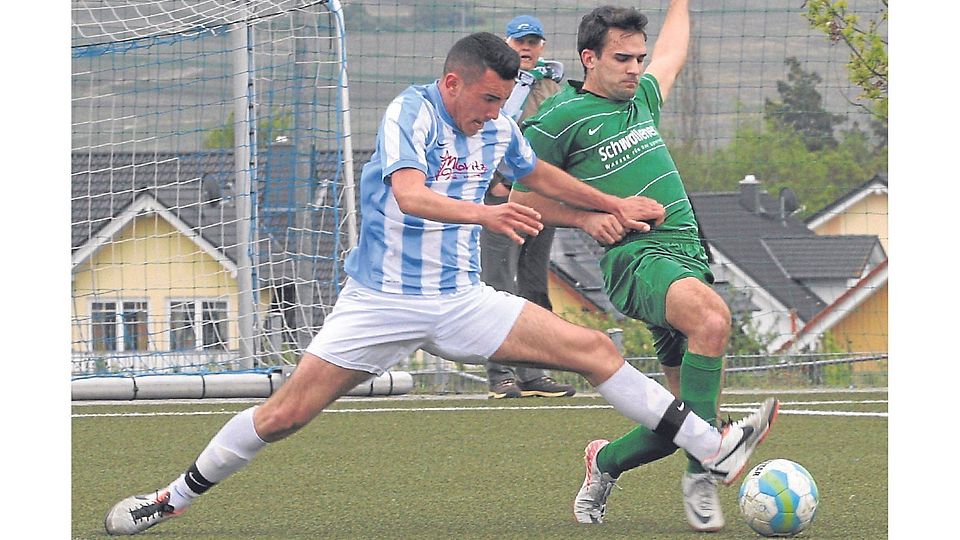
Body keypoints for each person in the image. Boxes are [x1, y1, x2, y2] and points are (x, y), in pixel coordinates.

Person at [103, 31, 778, 536]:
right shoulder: (411, 113)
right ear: (452, 82)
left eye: (503, 101)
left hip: (461, 304)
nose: (493, 112)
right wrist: (485, 211)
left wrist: (610, 206)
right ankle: (171, 498)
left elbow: (536, 174)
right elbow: (411, 194)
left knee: (598, 353)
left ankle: (711, 449)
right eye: (486, 98)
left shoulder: (497, 125)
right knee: (284, 416)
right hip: (379, 304)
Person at [512, 2, 737, 531]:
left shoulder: (643, 99)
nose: (635, 68)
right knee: (712, 319)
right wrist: (587, 220)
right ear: (589, 58)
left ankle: (604, 462)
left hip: (688, 259)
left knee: (681, 419)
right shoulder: (559, 117)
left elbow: (673, 54)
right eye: (622, 58)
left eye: (638, 58)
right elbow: (516, 195)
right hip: (637, 260)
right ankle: (703, 475)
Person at [481, 15, 574, 399]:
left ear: (543, 47)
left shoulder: (553, 87)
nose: (527, 47)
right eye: (520, 41)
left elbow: (558, 140)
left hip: (539, 200)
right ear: (506, 44)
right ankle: (499, 374)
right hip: (500, 198)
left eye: (533, 41)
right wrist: (497, 181)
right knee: (499, 284)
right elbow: (483, 133)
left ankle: (536, 372)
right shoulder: (494, 84)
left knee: (534, 285)